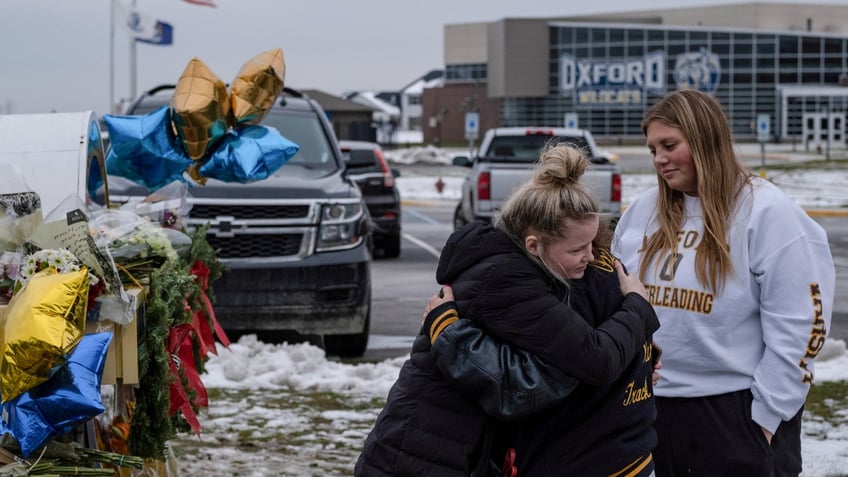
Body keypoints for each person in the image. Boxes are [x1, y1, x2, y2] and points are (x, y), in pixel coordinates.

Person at [354, 144, 659, 477]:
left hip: (453, 449)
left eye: (592, 245)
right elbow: (560, 372)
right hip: (419, 454)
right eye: (577, 249)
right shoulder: (506, 281)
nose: (590, 256)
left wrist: (638, 356)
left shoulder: (533, 270)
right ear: (534, 245)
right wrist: (637, 309)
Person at [611, 89, 836, 476]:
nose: (659, 159)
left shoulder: (767, 212)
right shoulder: (642, 212)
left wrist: (764, 420)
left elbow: (801, 326)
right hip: (649, 407)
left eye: (669, 145)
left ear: (704, 139)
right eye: (652, 149)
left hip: (735, 412)